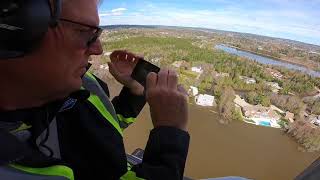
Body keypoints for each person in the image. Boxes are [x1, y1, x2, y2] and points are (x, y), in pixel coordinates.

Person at [0, 0, 190, 179]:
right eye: (85, 33)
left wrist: (133, 92)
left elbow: (101, 128)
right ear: (16, 30)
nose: (98, 49)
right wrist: (170, 133)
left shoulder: (82, 81)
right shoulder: (17, 167)